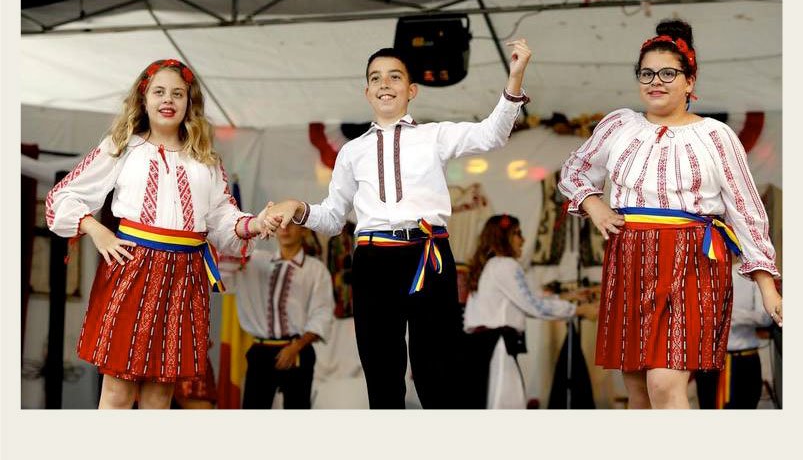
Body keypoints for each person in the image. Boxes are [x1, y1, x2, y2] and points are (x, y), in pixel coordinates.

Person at [261, 39, 532, 408]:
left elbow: (492, 134)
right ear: (367, 91)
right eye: (376, 78)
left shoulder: (433, 136)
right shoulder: (350, 152)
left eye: (394, 77)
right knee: (383, 373)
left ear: (411, 90)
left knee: (437, 373)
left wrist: (515, 77)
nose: (385, 84)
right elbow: (333, 217)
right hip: (374, 262)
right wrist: (298, 208)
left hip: (428, 256)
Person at [557, 19, 782, 409]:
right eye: (646, 73)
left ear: (690, 81)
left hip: (692, 260)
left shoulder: (715, 135)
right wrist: (594, 205)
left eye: (667, 73)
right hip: (628, 257)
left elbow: (746, 209)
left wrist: (767, 286)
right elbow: (574, 171)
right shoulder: (619, 126)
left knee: (665, 381)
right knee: (639, 388)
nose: (655, 81)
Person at [46, 58, 269, 409]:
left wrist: (254, 224)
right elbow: (64, 196)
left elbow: (223, 218)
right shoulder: (122, 146)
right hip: (131, 268)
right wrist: (97, 230)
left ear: (188, 102)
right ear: (143, 98)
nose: (168, 100)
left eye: (177, 94)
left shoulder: (206, 158)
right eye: (159, 92)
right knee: (118, 392)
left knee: (159, 396)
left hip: (185, 276)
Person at [462, 214, 598, 409]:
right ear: (502, 237)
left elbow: (528, 298)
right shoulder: (505, 265)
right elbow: (533, 305)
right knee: (507, 406)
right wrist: (578, 310)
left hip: (486, 348)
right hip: (497, 349)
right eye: (517, 233)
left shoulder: (491, 266)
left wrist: (569, 296)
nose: (523, 239)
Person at [219, 222, 334, 408]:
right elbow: (225, 275)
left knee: (297, 412)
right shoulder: (255, 261)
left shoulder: (315, 270)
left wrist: (296, 347)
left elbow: (322, 313)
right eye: (279, 225)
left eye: (291, 225)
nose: (285, 230)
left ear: (304, 230)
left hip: (297, 350)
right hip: (260, 351)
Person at [695, 268, 774, 408]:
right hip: (708, 362)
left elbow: (765, 317)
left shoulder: (753, 272)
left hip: (744, 361)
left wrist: (730, 314)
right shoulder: (700, 271)